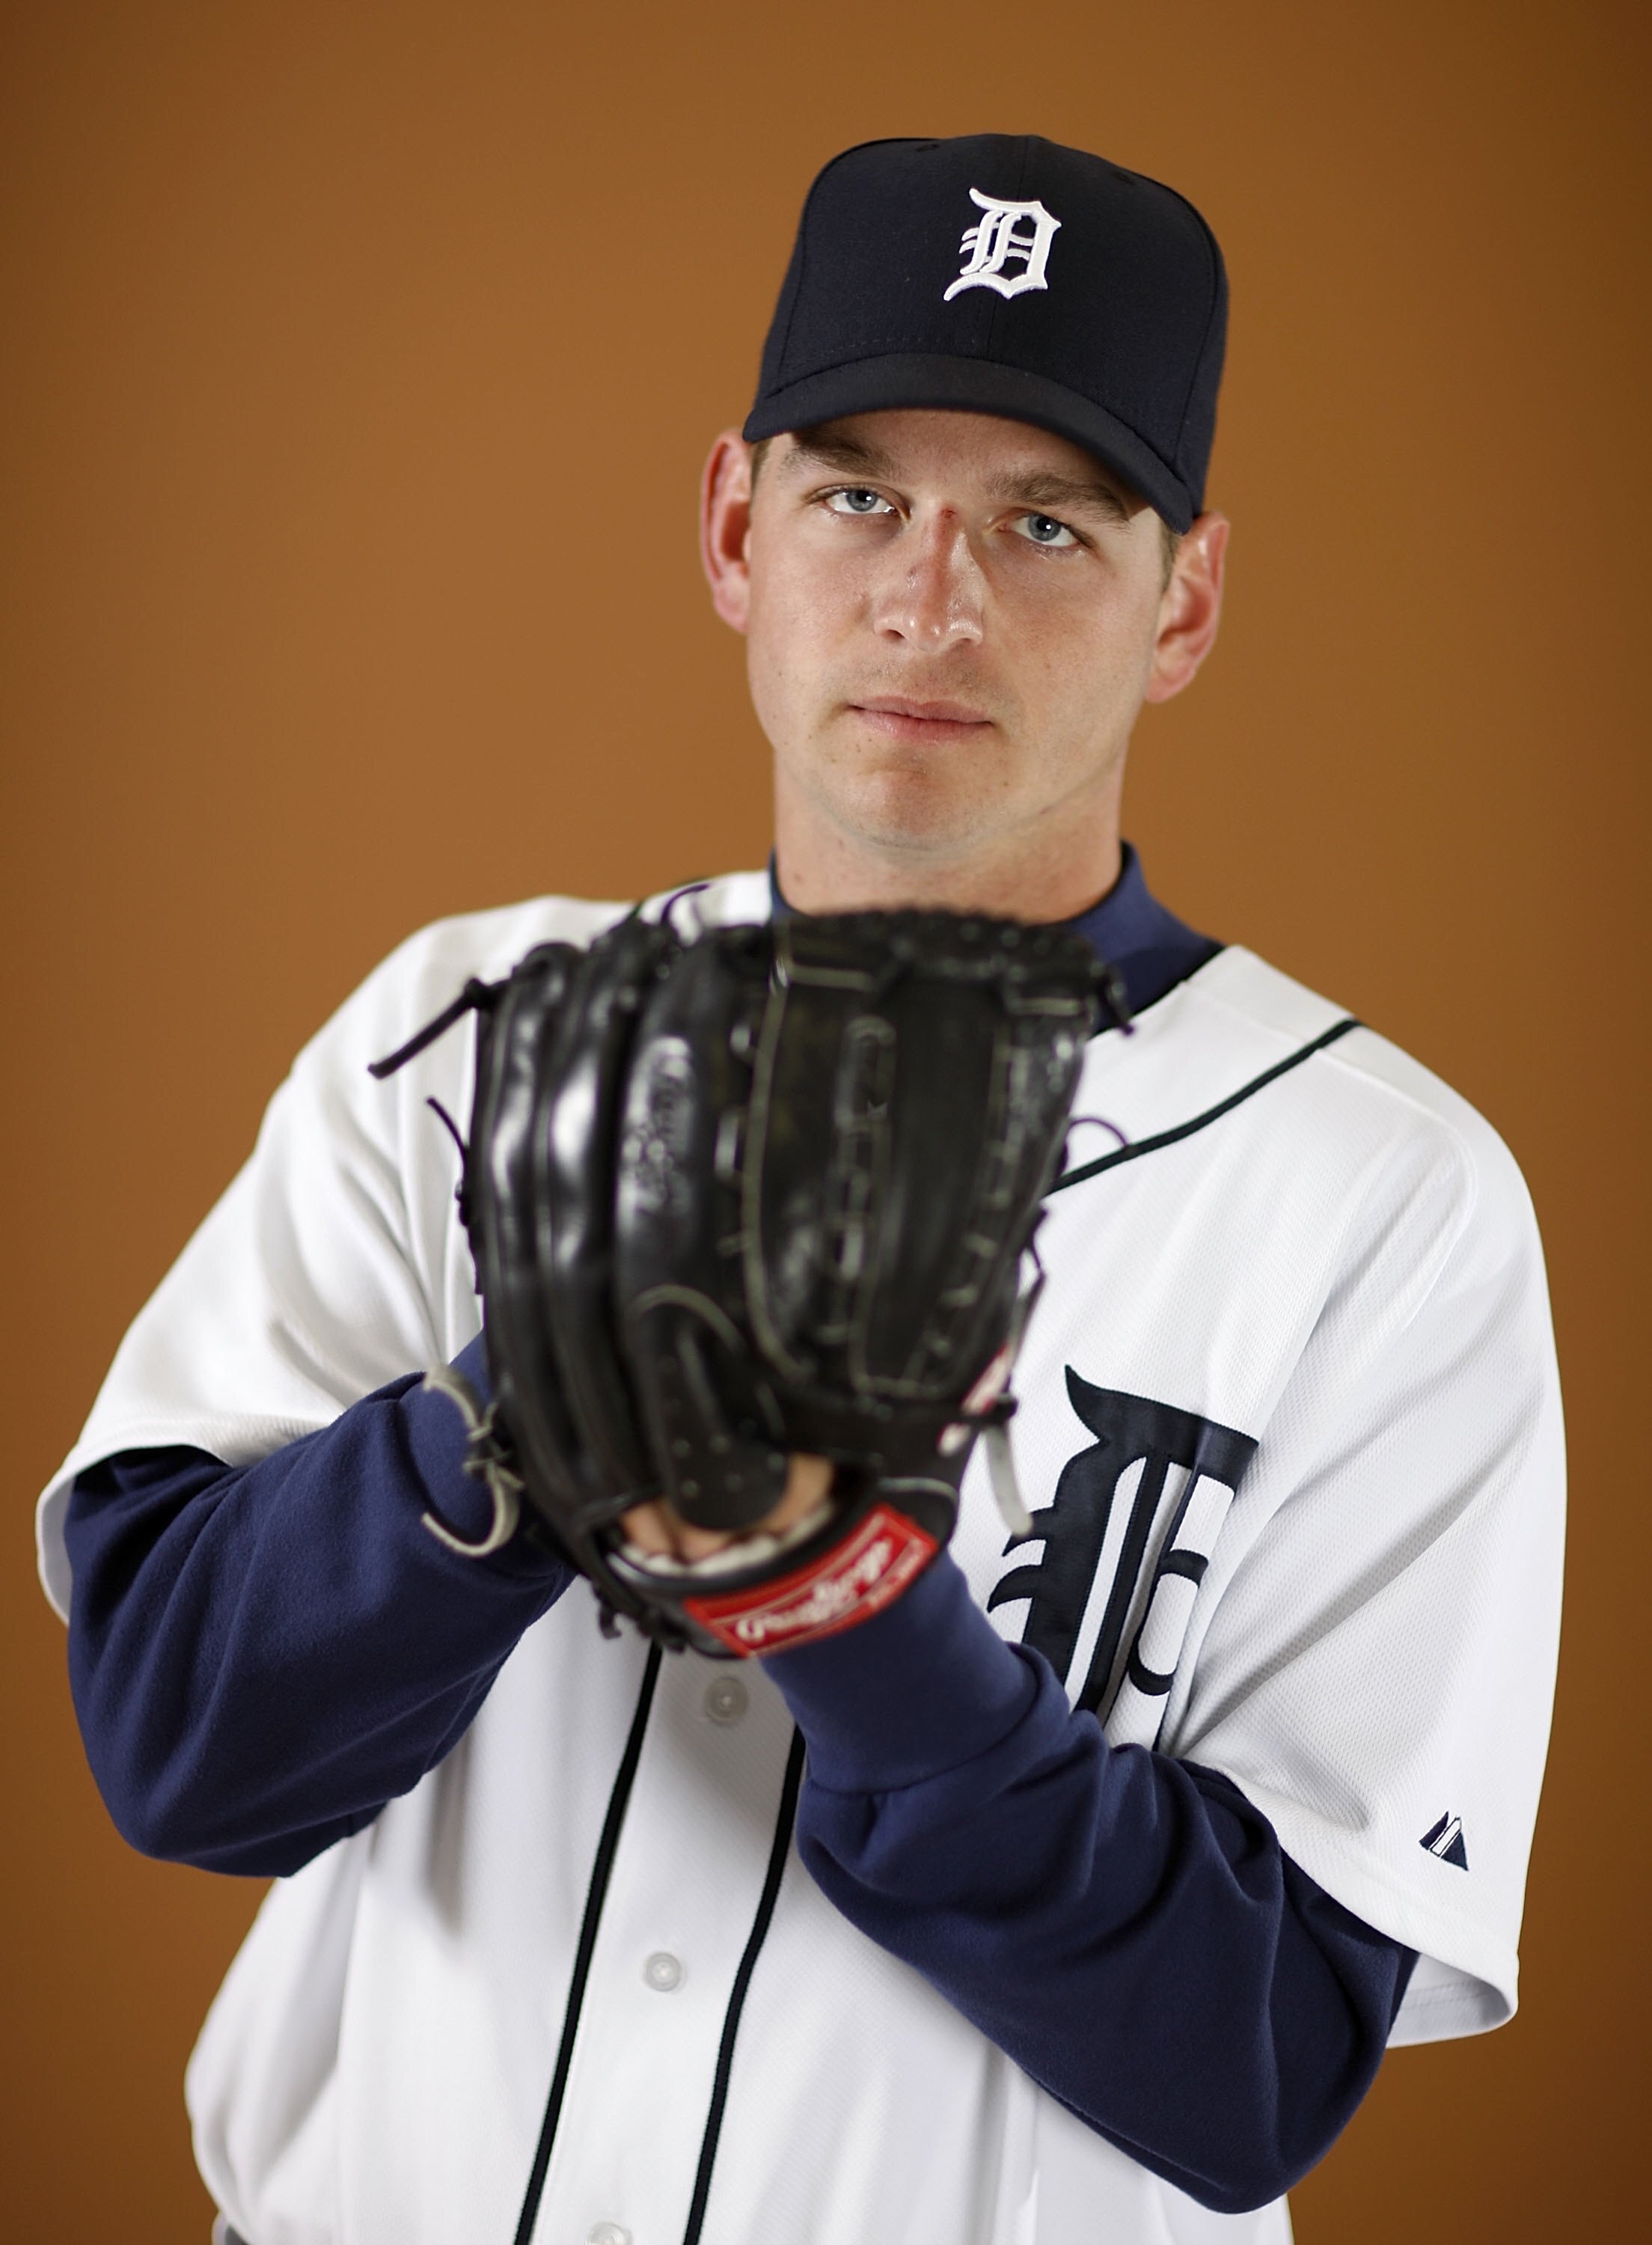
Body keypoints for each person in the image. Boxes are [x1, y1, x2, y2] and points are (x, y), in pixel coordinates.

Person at [37, 135, 1563, 2245]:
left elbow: (1260, 2063)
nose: (931, 597)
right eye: (861, 496)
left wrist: (846, 1610)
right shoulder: (462, 1030)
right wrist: (531, 1413)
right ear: (733, 529)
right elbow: (186, 1749)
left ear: (1182, 599)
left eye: (1045, 521)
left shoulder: (1386, 1203)